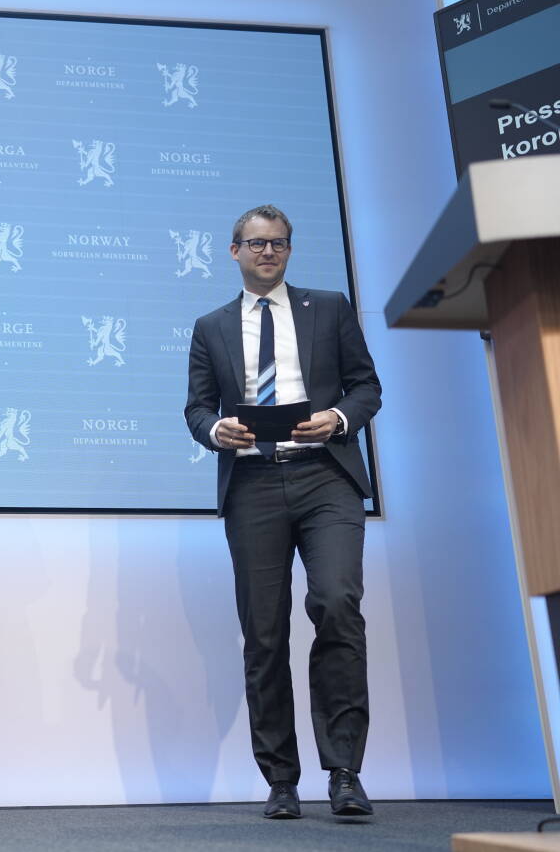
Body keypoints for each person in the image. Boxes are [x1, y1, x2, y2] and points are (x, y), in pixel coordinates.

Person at [184, 204, 381, 820]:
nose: (268, 252)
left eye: (279, 243)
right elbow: (195, 410)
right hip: (253, 486)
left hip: (327, 477)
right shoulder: (210, 326)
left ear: (289, 251)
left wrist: (339, 418)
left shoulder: (329, 306)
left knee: (336, 604)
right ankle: (282, 780)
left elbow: (366, 386)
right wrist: (218, 431)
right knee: (264, 634)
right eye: (256, 243)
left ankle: (345, 771)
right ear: (234, 251)